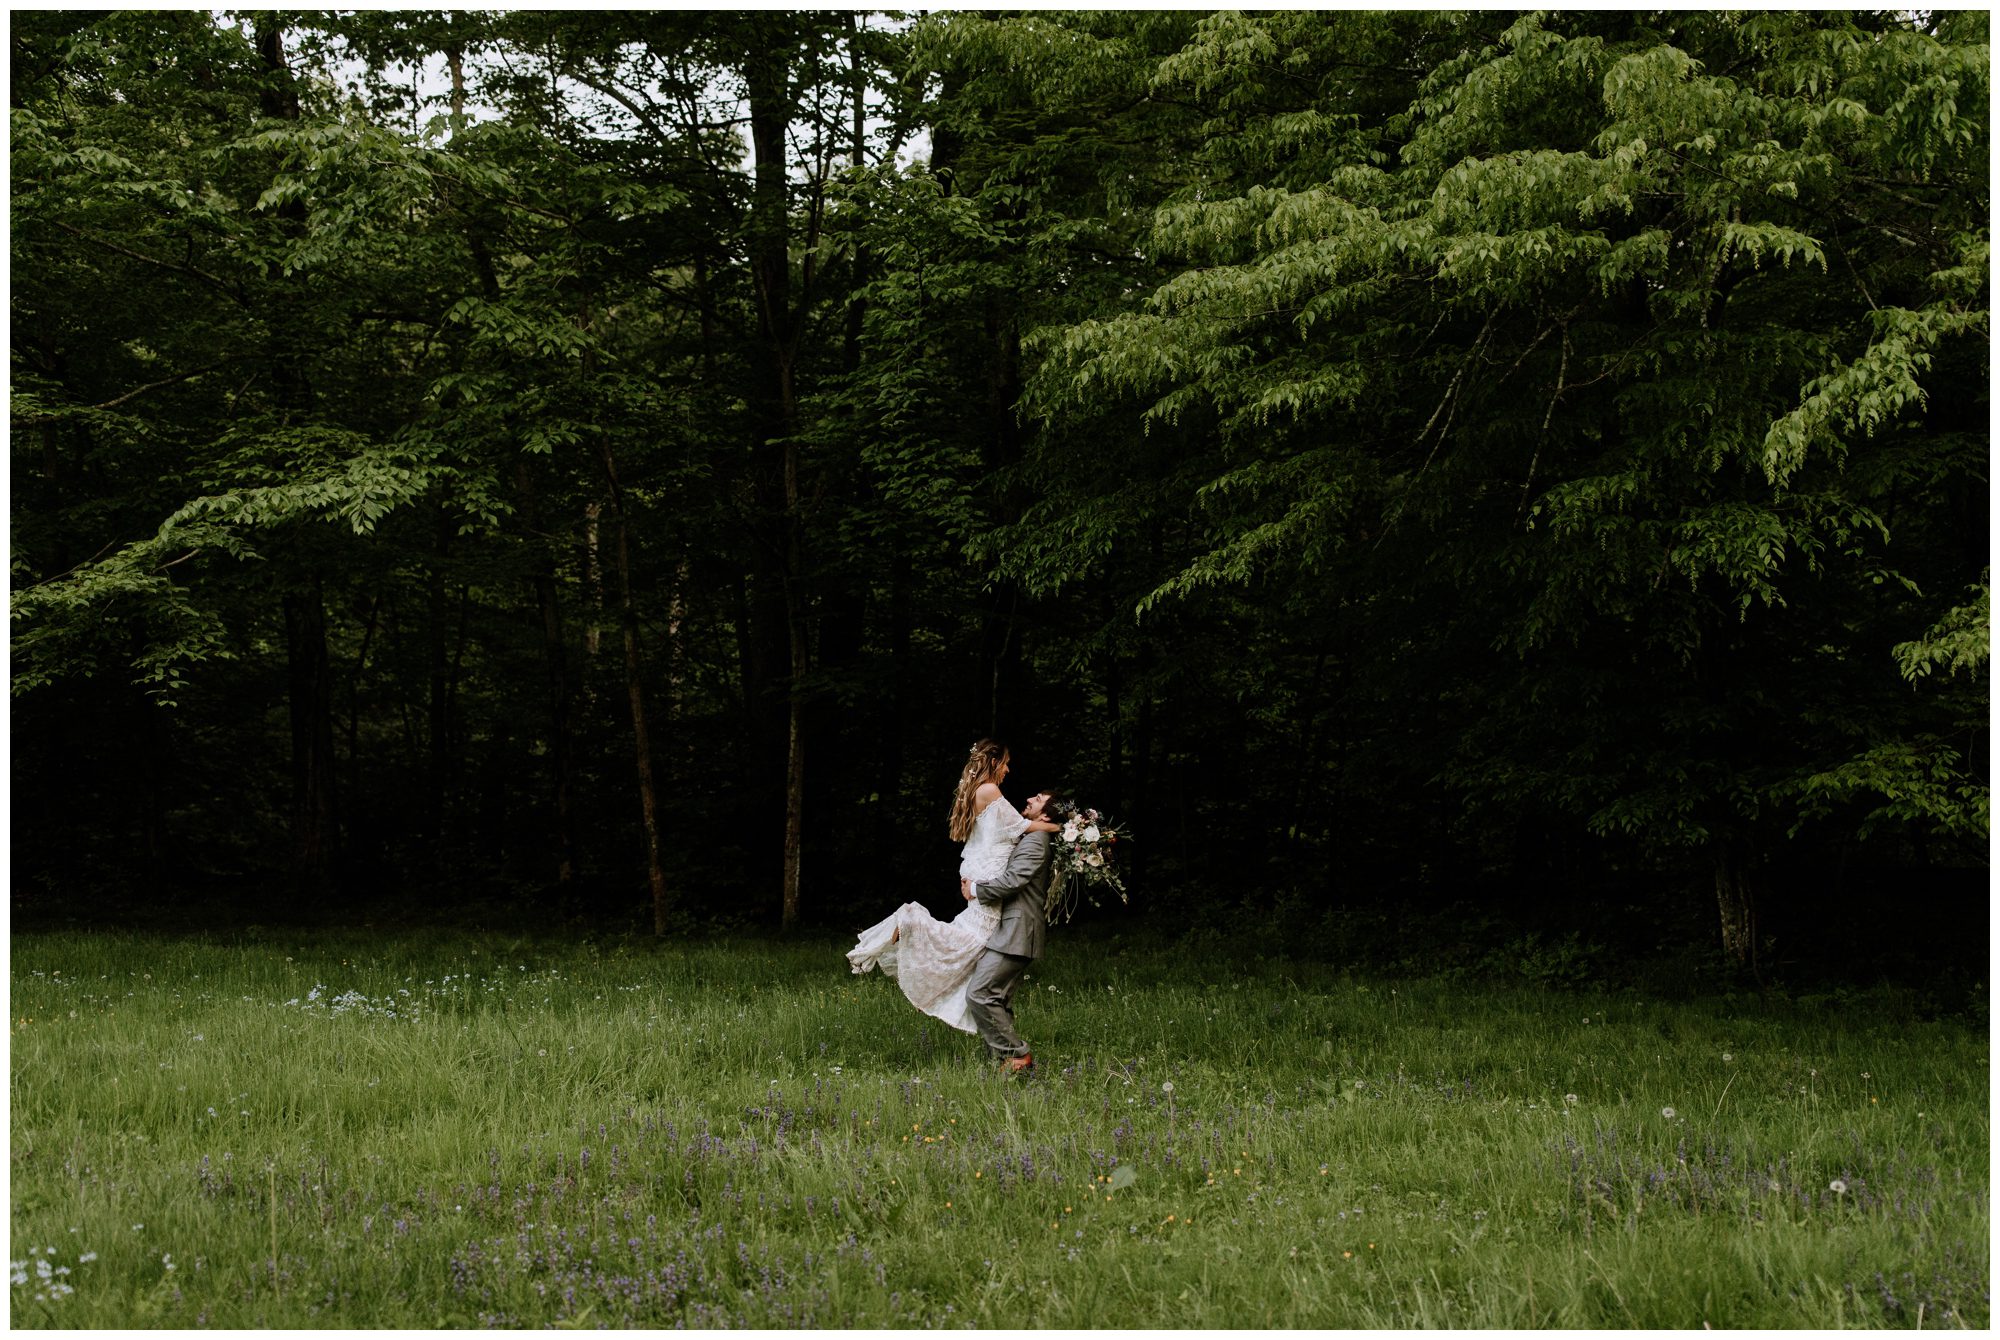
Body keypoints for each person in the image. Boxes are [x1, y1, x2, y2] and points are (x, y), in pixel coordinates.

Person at [846, 741, 1059, 1035]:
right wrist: (1066, 827)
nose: (1008, 770)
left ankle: (1000, 1043)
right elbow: (1024, 827)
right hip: (987, 884)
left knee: (968, 947)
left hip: (982, 879)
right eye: (1006, 763)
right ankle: (909, 924)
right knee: (965, 945)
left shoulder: (977, 791)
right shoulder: (989, 790)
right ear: (993, 762)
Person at [959, 793, 1070, 1075]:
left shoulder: (1036, 842)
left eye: (1039, 798)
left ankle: (1017, 1055)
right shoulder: (1031, 836)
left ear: (1045, 815)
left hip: (1017, 931)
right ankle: (1003, 1062)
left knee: (979, 993)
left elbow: (1013, 881)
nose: (1030, 798)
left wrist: (975, 890)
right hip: (1014, 931)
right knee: (996, 997)